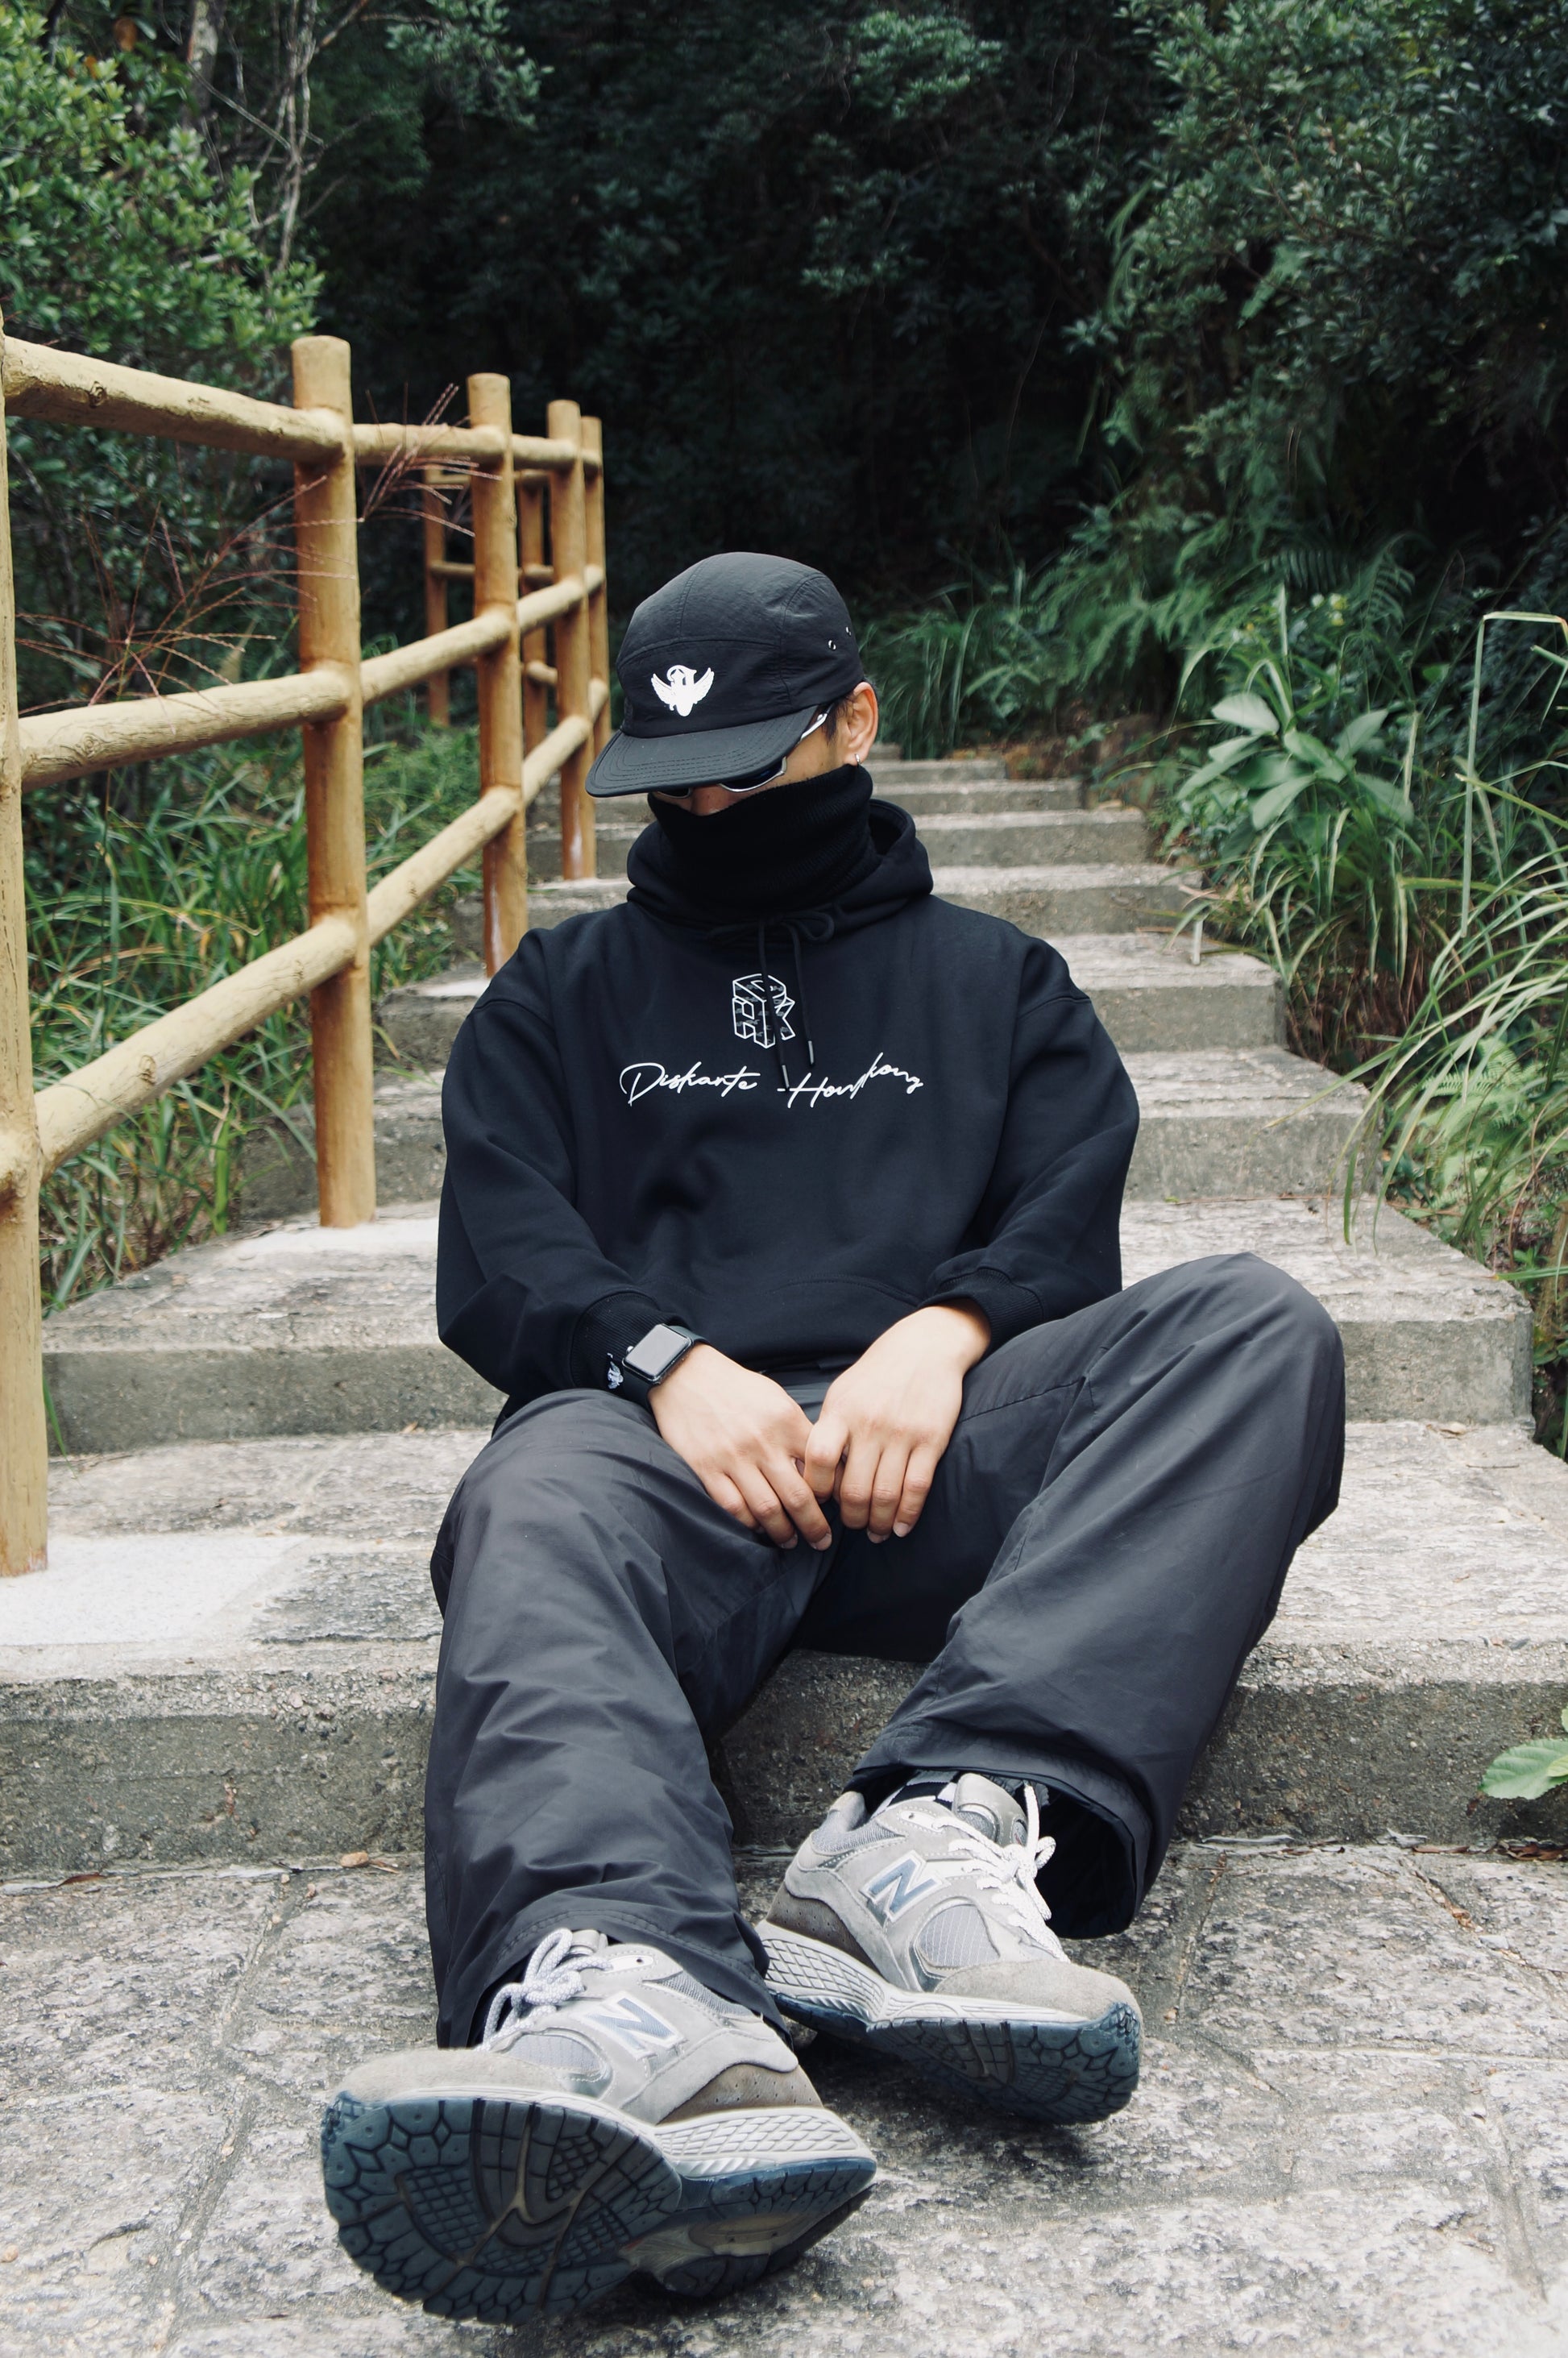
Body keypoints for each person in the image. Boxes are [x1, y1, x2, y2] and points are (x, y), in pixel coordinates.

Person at [320, 553, 1346, 2324]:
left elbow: (1062, 1220)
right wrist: (666, 1360)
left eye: (751, 770)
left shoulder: (1000, 983)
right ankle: (632, 1995)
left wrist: (944, 1335)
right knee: (529, 1480)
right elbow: (505, 1252)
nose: (710, 812)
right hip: (664, 1469)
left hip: (934, 1464)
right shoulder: (558, 995)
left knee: (1255, 1324)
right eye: (675, 784)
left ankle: (930, 1833)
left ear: (855, 723)